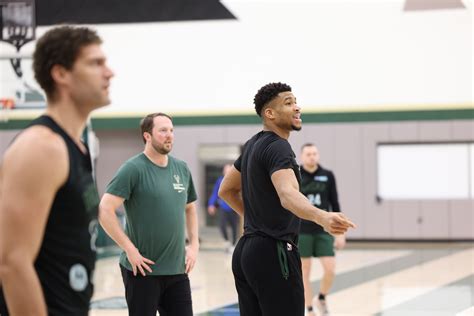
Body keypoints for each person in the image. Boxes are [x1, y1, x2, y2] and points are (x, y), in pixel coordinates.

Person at [0, 26, 114, 315]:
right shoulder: (41, 147)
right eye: (95, 63)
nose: (109, 72)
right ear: (61, 73)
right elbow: (12, 262)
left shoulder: (77, 147)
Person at [218, 82, 355, 316]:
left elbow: (226, 190)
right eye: (288, 103)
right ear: (270, 113)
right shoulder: (279, 147)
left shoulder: (252, 145)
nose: (297, 107)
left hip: (246, 252)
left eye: (296, 102)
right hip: (274, 252)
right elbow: (287, 194)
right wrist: (322, 217)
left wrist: (255, 218)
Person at [99, 112, 199, 316]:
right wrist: (129, 249)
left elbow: (190, 208)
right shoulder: (133, 169)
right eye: (163, 130)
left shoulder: (181, 168)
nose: (169, 135)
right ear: (147, 136)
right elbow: (104, 210)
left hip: (177, 271)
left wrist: (194, 245)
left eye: (171, 130)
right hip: (142, 271)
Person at [299, 143, 345, 316]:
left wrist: (340, 232)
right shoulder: (296, 175)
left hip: (323, 229)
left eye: (315, 153)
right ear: (302, 157)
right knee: (305, 271)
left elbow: (335, 204)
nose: (312, 156)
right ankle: (309, 309)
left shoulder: (327, 175)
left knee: (330, 269)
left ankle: (322, 298)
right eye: (308, 154)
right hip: (302, 229)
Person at [207, 164, 240, 252]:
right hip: (223, 207)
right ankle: (226, 241)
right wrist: (211, 204)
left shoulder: (236, 181)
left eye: (229, 170)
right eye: (225, 170)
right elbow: (215, 193)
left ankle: (233, 245)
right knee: (222, 225)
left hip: (233, 208)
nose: (227, 172)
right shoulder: (219, 181)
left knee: (234, 227)